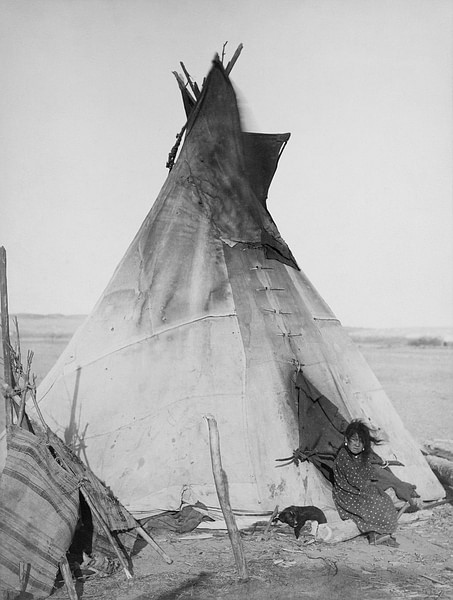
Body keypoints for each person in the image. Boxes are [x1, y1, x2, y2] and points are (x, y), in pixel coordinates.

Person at [332, 419, 399, 546]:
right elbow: (353, 479)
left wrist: (371, 485)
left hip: (361, 487)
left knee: (384, 499)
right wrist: (368, 486)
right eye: (354, 440)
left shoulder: (363, 455)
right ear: (346, 439)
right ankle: (374, 534)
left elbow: (369, 472)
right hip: (347, 491)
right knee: (371, 502)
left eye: (361, 441)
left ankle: (380, 533)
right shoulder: (343, 456)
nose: (357, 444)